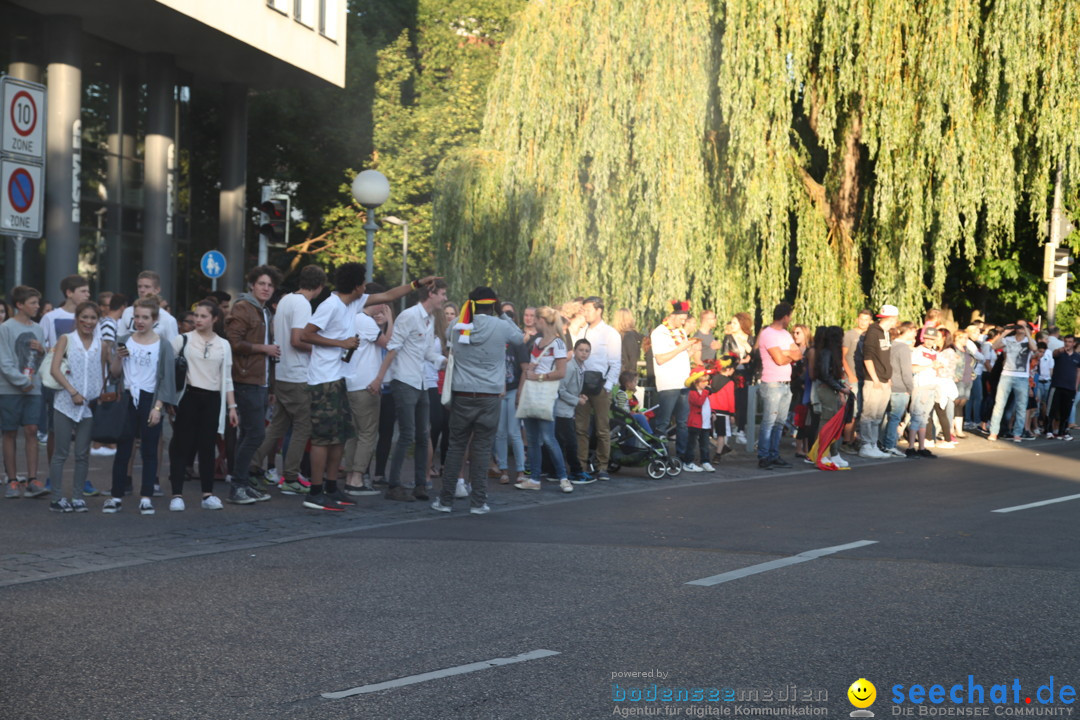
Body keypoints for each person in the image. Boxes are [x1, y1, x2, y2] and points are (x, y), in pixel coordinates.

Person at [300, 263, 437, 511]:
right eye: (363, 281)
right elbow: (305, 335)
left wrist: (418, 283)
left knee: (341, 437)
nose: (366, 285)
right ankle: (315, 491)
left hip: (340, 378)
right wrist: (340, 342)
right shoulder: (330, 305)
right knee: (323, 438)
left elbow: (390, 295)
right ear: (355, 285)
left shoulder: (354, 301)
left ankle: (332, 488)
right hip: (323, 380)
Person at [432, 287, 524, 514]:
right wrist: (502, 313)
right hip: (490, 395)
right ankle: (479, 502)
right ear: (494, 304)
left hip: (462, 395)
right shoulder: (502, 326)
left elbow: (448, 340)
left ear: (470, 304)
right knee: (482, 449)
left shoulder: (456, 326)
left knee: (455, 448)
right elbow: (520, 338)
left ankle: (445, 501)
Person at [370, 279, 449, 502]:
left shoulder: (430, 319)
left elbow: (425, 353)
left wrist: (446, 361)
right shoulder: (409, 316)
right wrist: (379, 378)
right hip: (404, 380)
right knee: (407, 434)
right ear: (431, 293)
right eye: (442, 294)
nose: (444, 298)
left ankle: (420, 485)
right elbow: (393, 348)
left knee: (423, 434)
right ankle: (394, 485)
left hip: (420, 381)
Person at [250, 265, 325, 495]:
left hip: (282, 372)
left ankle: (251, 465)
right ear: (320, 287)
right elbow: (297, 340)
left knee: (277, 426)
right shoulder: (302, 304)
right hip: (297, 374)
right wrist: (323, 347)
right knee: (304, 426)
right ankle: (290, 476)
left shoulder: (285, 301)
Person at [104, 296, 178, 514]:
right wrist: (118, 357)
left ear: (154, 319)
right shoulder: (124, 339)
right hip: (127, 398)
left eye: (145, 317)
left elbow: (166, 379)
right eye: (136, 316)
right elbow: (115, 375)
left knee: (149, 449)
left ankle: (146, 496)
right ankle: (116, 495)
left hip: (150, 399)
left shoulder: (163, 345)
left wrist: (158, 407)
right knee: (123, 449)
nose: (140, 321)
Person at [167, 301, 237, 511]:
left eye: (203, 316)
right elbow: (167, 372)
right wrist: (169, 400)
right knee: (181, 445)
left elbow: (227, 378)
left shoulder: (224, 344)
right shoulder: (182, 340)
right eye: (196, 315)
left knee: (207, 446)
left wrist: (232, 407)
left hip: (213, 398)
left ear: (215, 319)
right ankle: (176, 494)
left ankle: (208, 495)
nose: (198, 320)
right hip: (188, 396)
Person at [224, 265, 283, 505]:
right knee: (255, 434)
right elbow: (233, 341)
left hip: (260, 381)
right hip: (246, 380)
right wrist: (263, 348)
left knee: (248, 434)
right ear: (252, 285)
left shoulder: (264, 311)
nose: (266, 288)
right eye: (262, 284)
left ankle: (242, 483)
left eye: (270, 285)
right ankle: (238, 484)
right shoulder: (243, 308)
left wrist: (270, 388)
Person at [47, 301, 107, 512]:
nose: (88, 322)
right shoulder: (66, 339)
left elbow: (106, 372)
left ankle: (78, 497)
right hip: (65, 402)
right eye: (85, 317)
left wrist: (100, 393)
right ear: (77, 318)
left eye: (93, 318)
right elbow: (55, 369)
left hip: (89, 406)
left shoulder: (102, 344)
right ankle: (56, 499)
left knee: (82, 453)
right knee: (61, 453)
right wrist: (72, 392)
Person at [511, 312, 572, 494]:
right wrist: (521, 391)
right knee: (532, 439)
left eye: (536, 319)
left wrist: (538, 376)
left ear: (543, 321)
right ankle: (535, 478)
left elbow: (561, 372)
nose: (533, 322)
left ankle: (563, 477)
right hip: (532, 393)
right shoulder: (537, 343)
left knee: (547, 438)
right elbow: (528, 368)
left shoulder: (558, 343)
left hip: (545, 394)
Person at [0, 286, 47, 499]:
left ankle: (32, 479)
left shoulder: (38, 328)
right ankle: (11, 480)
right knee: (9, 432)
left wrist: (42, 350)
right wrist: (21, 381)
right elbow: (4, 360)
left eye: (38, 303)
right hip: (9, 389)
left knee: (32, 429)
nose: (37, 307)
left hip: (33, 388)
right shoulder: (6, 328)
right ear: (20, 305)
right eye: (33, 303)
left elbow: (42, 359)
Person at [343, 292, 392, 496]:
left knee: (354, 434)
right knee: (368, 433)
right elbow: (389, 343)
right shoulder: (365, 321)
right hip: (366, 384)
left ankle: (349, 476)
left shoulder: (350, 317)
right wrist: (390, 320)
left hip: (351, 382)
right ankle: (356, 479)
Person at [570, 297, 621, 481]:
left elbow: (615, 362)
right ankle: (581, 465)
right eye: (583, 310)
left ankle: (603, 467)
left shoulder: (610, 333)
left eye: (588, 309)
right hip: (582, 386)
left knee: (602, 428)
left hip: (600, 386)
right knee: (580, 428)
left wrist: (608, 387)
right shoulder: (581, 331)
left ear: (599, 310)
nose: (585, 313)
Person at [756, 302, 802, 469]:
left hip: (785, 383)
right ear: (785, 316)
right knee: (769, 421)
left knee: (779, 422)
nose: (790, 319)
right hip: (772, 383)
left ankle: (774, 455)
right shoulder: (768, 334)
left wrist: (786, 353)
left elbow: (798, 355)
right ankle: (764, 456)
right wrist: (788, 354)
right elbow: (779, 359)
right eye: (789, 316)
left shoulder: (784, 334)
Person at [650, 301, 698, 463]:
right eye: (681, 319)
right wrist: (681, 348)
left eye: (685, 319)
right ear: (672, 316)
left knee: (682, 422)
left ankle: (681, 457)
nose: (683, 322)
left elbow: (680, 356)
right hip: (669, 384)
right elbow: (661, 359)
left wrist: (691, 350)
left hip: (683, 383)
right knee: (663, 422)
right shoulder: (659, 333)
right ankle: (659, 455)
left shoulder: (681, 332)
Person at [859, 305, 898, 458]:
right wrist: (874, 378)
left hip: (884, 379)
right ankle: (865, 445)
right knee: (869, 414)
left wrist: (887, 377)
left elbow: (884, 357)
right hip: (873, 380)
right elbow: (867, 357)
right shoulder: (873, 332)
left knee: (878, 415)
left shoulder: (886, 333)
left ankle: (873, 443)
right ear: (891, 318)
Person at [988, 320, 1036, 443]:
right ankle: (994, 432)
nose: (1020, 327)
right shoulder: (1009, 339)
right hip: (1006, 375)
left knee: (1021, 406)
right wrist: (1004, 333)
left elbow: (1034, 348)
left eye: (1023, 325)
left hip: (1022, 377)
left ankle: (1017, 433)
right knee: (999, 404)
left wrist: (1027, 332)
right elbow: (993, 346)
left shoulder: (1029, 340)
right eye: (1018, 325)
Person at [810, 326, 849, 467]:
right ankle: (822, 453)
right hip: (826, 390)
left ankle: (833, 453)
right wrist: (840, 388)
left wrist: (841, 387)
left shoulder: (830, 352)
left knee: (832, 423)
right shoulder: (827, 353)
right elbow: (825, 374)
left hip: (831, 389)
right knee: (826, 422)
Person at [840, 308, 873, 452]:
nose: (863, 322)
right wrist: (849, 374)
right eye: (861, 319)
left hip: (864, 377)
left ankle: (853, 439)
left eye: (866, 320)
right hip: (852, 376)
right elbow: (843, 356)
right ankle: (846, 441)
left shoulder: (870, 335)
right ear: (857, 319)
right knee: (851, 411)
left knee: (859, 411)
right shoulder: (849, 335)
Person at [882, 322, 916, 457]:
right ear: (908, 331)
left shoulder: (890, 345)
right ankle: (889, 445)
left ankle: (882, 443)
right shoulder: (903, 348)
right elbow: (906, 371)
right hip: (900, 387)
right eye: (914, 331)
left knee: (885, 417)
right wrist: (910, 388)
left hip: (888, 385)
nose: (915, 334)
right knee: (895, 418)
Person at [907, 326, 940, 458]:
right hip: (921, 387)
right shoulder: (917, 351)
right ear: (923, 338)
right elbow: (913, 368)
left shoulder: (936, 352)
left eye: (932, 339)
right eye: (927, 338)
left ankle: (921, 447)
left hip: (932, 386)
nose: (929, 341)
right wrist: (931, 365)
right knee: (916, 417)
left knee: (924, 418)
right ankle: (910, 447)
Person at [721, 312, 753, 443]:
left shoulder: (750, 338)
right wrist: (737, 361)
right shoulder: (728, 338)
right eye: (732, 322)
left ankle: (741, 429)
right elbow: (724, 356)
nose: (732, 325)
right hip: (732, 373)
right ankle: (729, 428)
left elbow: (755, 356)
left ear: (742, 323)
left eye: (735, 322)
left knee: (743, 402)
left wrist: (748, 348)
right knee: (731, 401)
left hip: (746, 374)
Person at [119, 271, 179, 342]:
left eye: (147, 287)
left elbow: (172, 348)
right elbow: (120, 339)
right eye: (139, 286)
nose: (142, 290)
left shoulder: (168, 319)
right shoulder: (128, 312)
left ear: (157, 290)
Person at [1046, 335, 1080, 440]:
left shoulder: (1077, 356)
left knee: (1066, 411)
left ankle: (1063, 431)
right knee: (1052, 409)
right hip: (1057, 385)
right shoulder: (1060, 353)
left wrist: (1075, 386)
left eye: (1070, 342)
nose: (1067, 344)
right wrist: (1060, 350)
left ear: (1074, 343)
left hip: (1070, 387)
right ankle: (1049, 431)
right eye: (1066, 341)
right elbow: (1054, 353)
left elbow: (1078, 372)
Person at [685, 368, 714, 472]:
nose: (706, 383)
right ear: (696, 382)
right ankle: (688, 462)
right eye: (704, 381)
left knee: (705, 445)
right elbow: (699, 402)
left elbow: (708, 404)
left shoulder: (704, 392)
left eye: (707, 381)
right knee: (691, 444)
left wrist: (713, 412)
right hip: (695, 423)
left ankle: (705, 461)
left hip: (705, 423)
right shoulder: (692, 392)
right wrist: (706, 391)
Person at [613, 308, 643, 382]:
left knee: (618, 393)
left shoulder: (628, 336)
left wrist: (631, 379)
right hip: (623, 375)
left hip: (624, 376)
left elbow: (631, 359)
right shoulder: (626, 336)